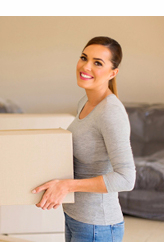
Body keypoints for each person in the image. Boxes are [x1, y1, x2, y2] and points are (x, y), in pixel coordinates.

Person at [32, 36, 135, 242]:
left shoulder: (110, 112)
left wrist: (67, 186)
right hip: (75, 217)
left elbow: (126, 178)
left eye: (98, 63)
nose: (86, 66)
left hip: (98, 225)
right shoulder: (85, 102)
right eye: (83, 58)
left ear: (113, 73)